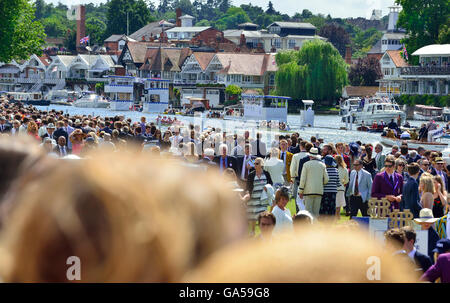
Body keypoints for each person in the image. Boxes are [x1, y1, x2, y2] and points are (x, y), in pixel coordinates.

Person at [244, 157, 273, 235]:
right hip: (253, 199)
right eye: (254, 163)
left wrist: (267, 188)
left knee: (262, 215)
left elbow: (271, 184)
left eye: (257, 163)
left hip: (263, 199)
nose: (255, 165)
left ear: (261, 165)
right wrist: (247, 194)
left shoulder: (266, 174)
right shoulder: (251, 174)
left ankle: (263, 232)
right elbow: (248, 187)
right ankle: (252, 231)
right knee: (253, 216)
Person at [298, 148, 329, 218]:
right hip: (319, 191)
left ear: (310, 156)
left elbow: (303, 179)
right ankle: (315, 228)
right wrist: (321, 184)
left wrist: (300, 191)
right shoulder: (322, 165)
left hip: (308, 191)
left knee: (308, 213)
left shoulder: (306, 164)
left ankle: (309, 228)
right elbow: (327, 179)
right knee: (316, 213)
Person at [335, 155, 349, 219]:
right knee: (339, 204)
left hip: (334, 187)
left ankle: (335, 217)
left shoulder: (334, 168)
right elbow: (347, 180)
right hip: (341, 187)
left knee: (335, 203)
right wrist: (343, 183)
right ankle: (338, 216)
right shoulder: (345, 169)